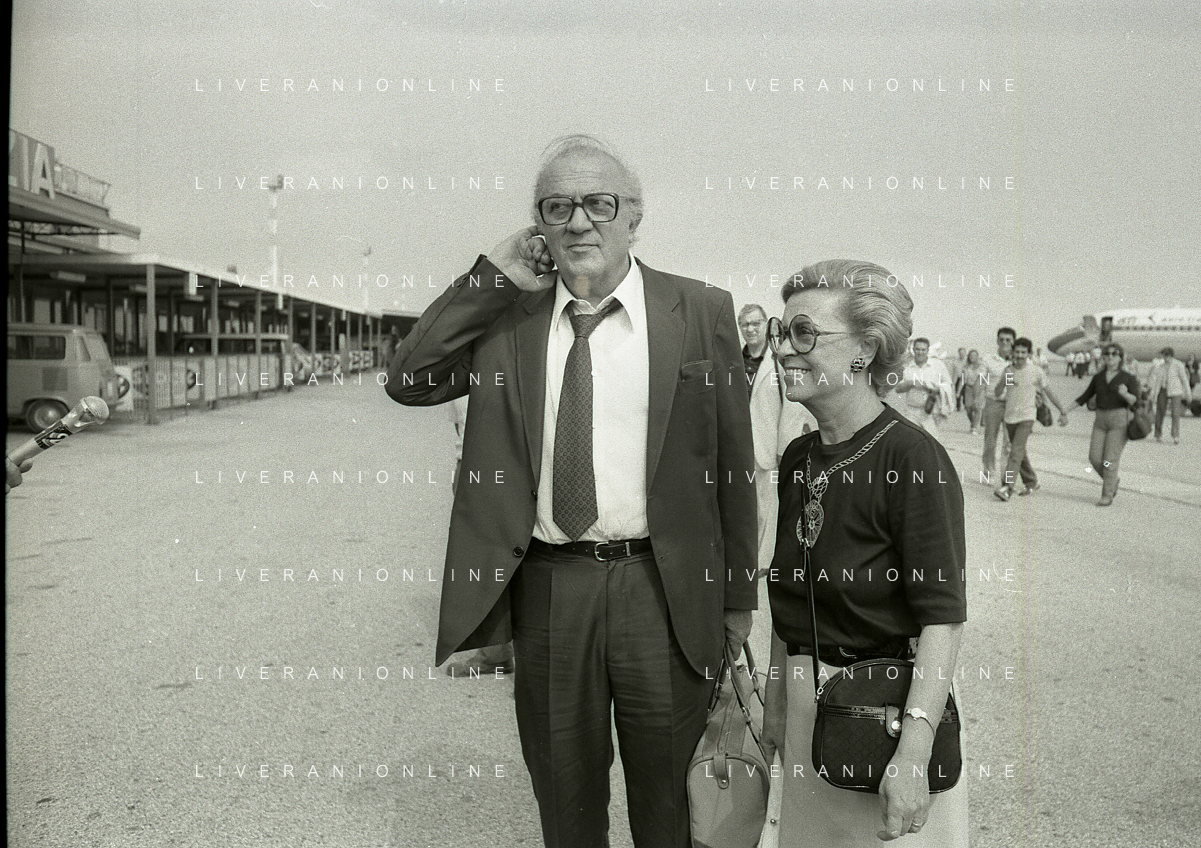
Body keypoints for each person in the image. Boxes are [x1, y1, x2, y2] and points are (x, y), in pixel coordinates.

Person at [386, 134, 757, 848]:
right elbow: (409, 379)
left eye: (598, 204)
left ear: (634, 217)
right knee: (566, 804)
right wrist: (490, 276)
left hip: (663, 592)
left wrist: (738, 599)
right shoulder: (507, 320)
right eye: (557, 207)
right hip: (552, 591)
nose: (579, 222)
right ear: (538, 225)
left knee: (670, 810)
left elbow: (734, 468)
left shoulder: (700, 310)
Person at [759, 260, 968, 846]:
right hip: (808, 711)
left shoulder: (912, 458)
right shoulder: (799, 458)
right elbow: (790, 598)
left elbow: (943, 618)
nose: (784, 349)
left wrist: (913, 754)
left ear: (865, 350)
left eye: (805, 333)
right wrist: (776, 706)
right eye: (782, 331)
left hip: (885, 716)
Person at [741, 303, 817, 578]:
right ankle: (749, 553)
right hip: (740, 445)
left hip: (767, 444)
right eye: (745, 324)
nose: (750, 329)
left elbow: (792, 405)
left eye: (756, 323)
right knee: (745, 505)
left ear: (766, 326)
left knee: (768, 504)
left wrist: (784, 447)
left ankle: (765, 560)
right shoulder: (736, 360)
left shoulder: (776, 361)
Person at [442, 394, 515, 676]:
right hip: (473, 461)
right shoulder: (464, 371)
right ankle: (496, 651)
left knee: (497, 557)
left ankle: (504, 654)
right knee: (486, 559)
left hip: (505, 461)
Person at [1063, 343, 1140, 506]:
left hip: (1119, 419)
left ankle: (1107, 495)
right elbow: (1085, 396)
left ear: (1120, 358)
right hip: (1100, 420)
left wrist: (1125, 394)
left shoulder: (1128, 377)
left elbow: (1136, 401)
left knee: (1109, 459)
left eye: (1114, 354)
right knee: (1095, 458)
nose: (1110, 357)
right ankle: (1112, 481)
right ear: (1103, 357)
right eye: (1106, 354)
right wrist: (1065, 410)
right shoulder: (1098, 377)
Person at [993, 337, 1068, 501]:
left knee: (1015, 452)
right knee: (1019, 452)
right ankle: (1031, 481)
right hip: (1010, 417)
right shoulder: (1009, 371)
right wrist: (1003, 381)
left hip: (1027, 417)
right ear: (1013, 353)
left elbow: (1049, 392)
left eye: (1023, 352)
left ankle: (1007, 487)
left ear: (1029, 354)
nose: (1020, 355)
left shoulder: (1036, 371)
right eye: (1017, 352)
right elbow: (999, 392)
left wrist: (1062, 410)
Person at [893, 338, 955, 439]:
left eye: (923, 349)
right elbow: (898, 389)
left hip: (931, 411)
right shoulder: (907, 367)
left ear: (928, 350)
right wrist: (912, 383)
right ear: (913, 349)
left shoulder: (938, 365)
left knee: (931, 441)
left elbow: (948, 384)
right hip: (911, 411)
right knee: (911, 440)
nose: (920, 352)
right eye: (917, 349)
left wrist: (935, 388)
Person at [980, 327, 1015, 484]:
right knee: (990, 440)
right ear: (997, 341)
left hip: (1012, 405)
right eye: (1001, 339)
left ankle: (1006, 476)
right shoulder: (988, 360)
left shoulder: (1019, 360)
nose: (1005, 342)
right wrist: (979, 400)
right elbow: (981, 381)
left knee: (1009, 443)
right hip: (993, 402)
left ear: (1013, 341)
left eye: (1008, 340)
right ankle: (988, 471)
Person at [1148, 346, 1192, 444]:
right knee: (1160, 411)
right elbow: (1157, 381)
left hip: (1175, 391)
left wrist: (1188, 392)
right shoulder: (1161, 366)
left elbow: (1184, 379)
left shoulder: (1178, 365)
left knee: (1175, 413)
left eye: (1166, 356)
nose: (1164, 359)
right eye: (1163, 356)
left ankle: (1175, 435)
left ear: (1170, 356)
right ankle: (1158, 434)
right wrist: (1154, 394)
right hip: (1163, 390)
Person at [961, 349, 986, 434]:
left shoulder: (982, 367)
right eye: (971, 355)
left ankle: (974, 427)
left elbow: (984, 379)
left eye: (974, 355)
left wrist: (982, 389)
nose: (972, 357)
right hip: (968, 388)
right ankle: (973, 423)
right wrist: (958, 392)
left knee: (977, 408)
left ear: (977, 357)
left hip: (979, 388)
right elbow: (963, 380)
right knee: (968, 408)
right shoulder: (966, 367)